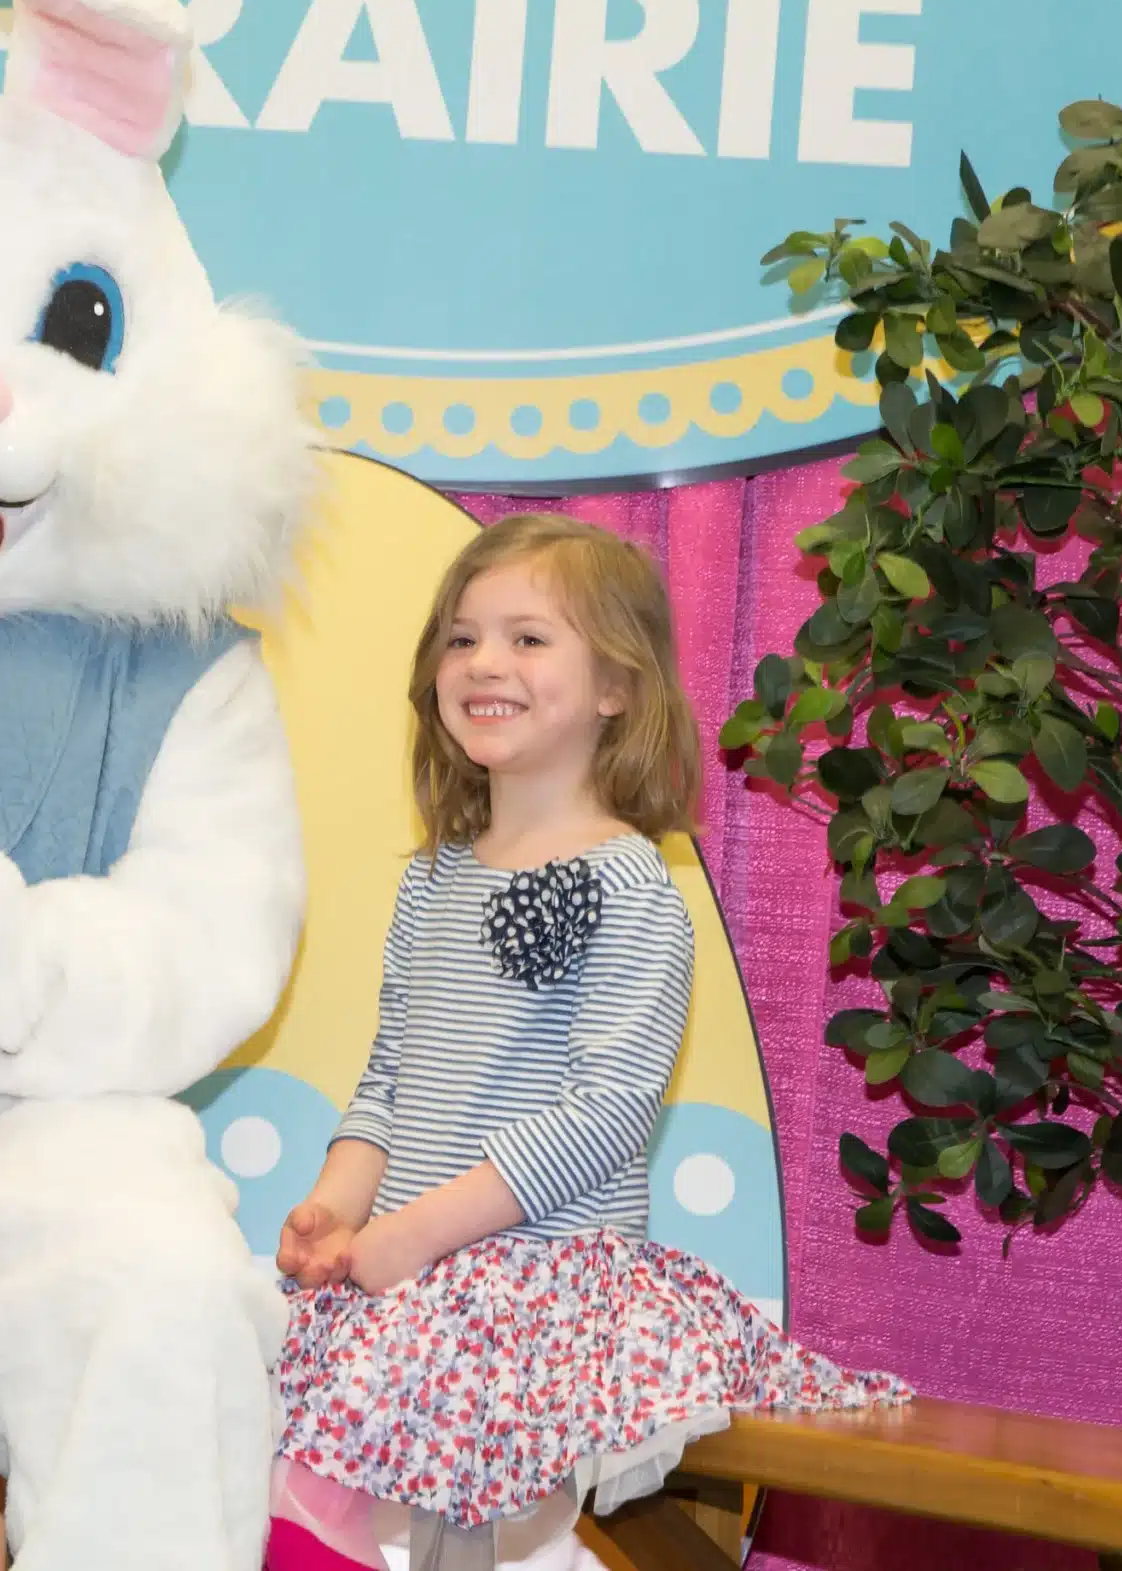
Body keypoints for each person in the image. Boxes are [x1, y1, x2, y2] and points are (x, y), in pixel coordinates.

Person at [266, 514, 908, 1571]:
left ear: (615, 686)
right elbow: (388, 1077)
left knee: (401, 1522)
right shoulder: (432, 878)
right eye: (461, 636)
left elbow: (604, 1114)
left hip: (534, 1283)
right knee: (304, 1483)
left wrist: (416, 1234)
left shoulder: (630, 887)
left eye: (527, 638)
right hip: (412, 1273)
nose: (483, 662)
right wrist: (335, 1205)